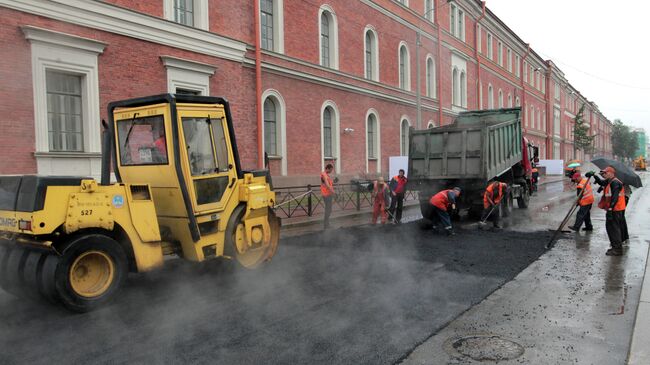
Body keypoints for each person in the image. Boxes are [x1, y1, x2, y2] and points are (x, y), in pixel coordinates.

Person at [587, 167, 626, 256]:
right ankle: (614, 247)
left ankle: (617, 249)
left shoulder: (615, 182)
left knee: (614, 229)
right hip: (613, 209)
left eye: (605, 173)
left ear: (611, 173)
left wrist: (610, 209)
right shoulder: (610, 181)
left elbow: (615, 197)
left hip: (615, 209)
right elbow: (601, 182)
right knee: (610, 227)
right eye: (603, 173)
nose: (604, 175)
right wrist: (594, 176)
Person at [320, 164, 335, 229]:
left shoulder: (327, 175)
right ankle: (326, 226)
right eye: (331, 170)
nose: (331, 171)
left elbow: (330, 184)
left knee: (329, 210)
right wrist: (334, 193)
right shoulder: (324, 175)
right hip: (326, 195)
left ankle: (327, 224)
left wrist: (334, 181)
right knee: (328, 210)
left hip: (329, 194)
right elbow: (327, 185)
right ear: (328, 168)